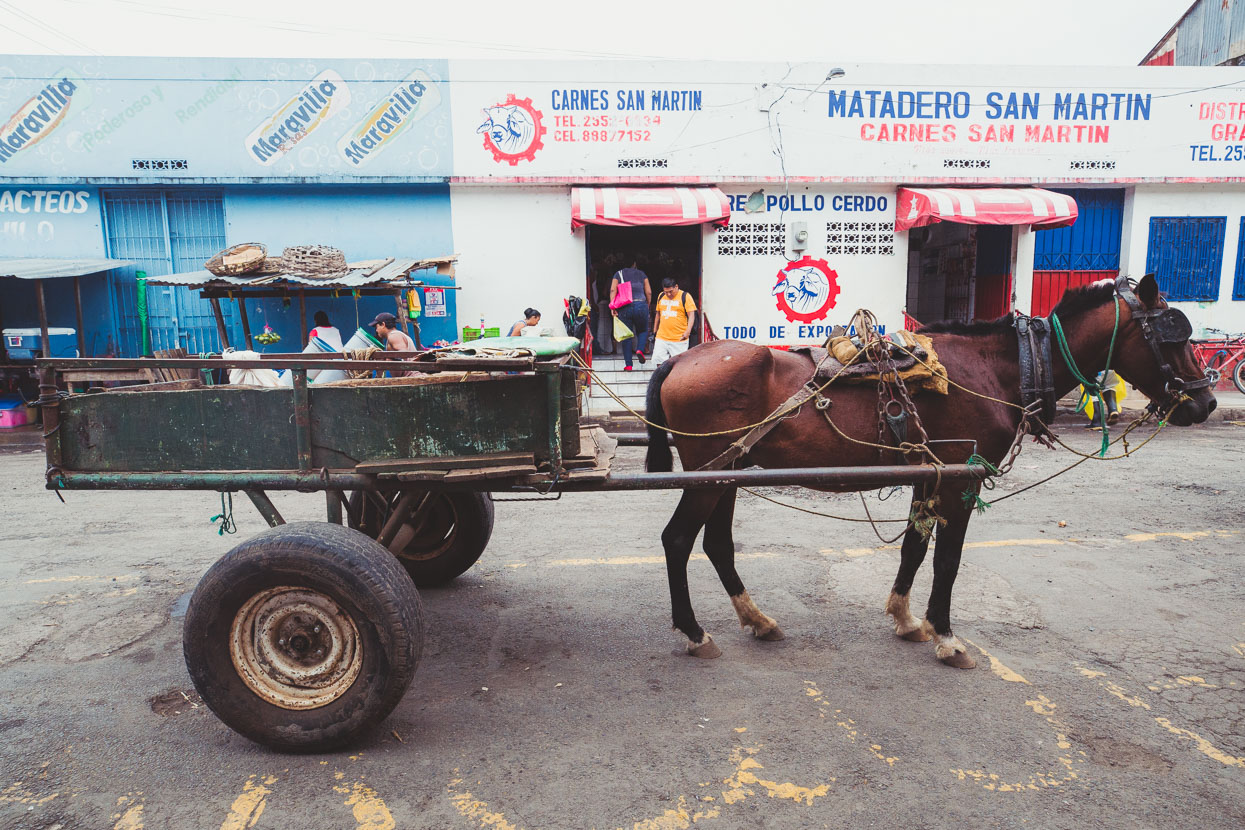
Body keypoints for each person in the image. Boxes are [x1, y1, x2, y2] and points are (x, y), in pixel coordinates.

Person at [610, 255, 652, 371]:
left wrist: (613, 306)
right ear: (634, 263)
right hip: (641, 304)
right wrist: (647, 303)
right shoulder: (642, 274)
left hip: (624, 306)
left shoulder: (618, 274)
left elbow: (613, 289)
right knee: (642, 330)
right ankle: (640, 349)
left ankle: (628, 365)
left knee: (626, 336)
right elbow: (648, 291)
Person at [651, 277, 699, 366]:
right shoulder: (661, 296)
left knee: (679, 365)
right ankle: (662, 380)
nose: (668, 294)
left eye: (671, 291)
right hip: (662, 337)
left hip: (679, 338)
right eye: (666, 292)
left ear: (676, 286)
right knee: (659, 363)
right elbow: (658, 314)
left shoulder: (685, 296)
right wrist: (655, 331)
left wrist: (687, 332)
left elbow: (691, 315)